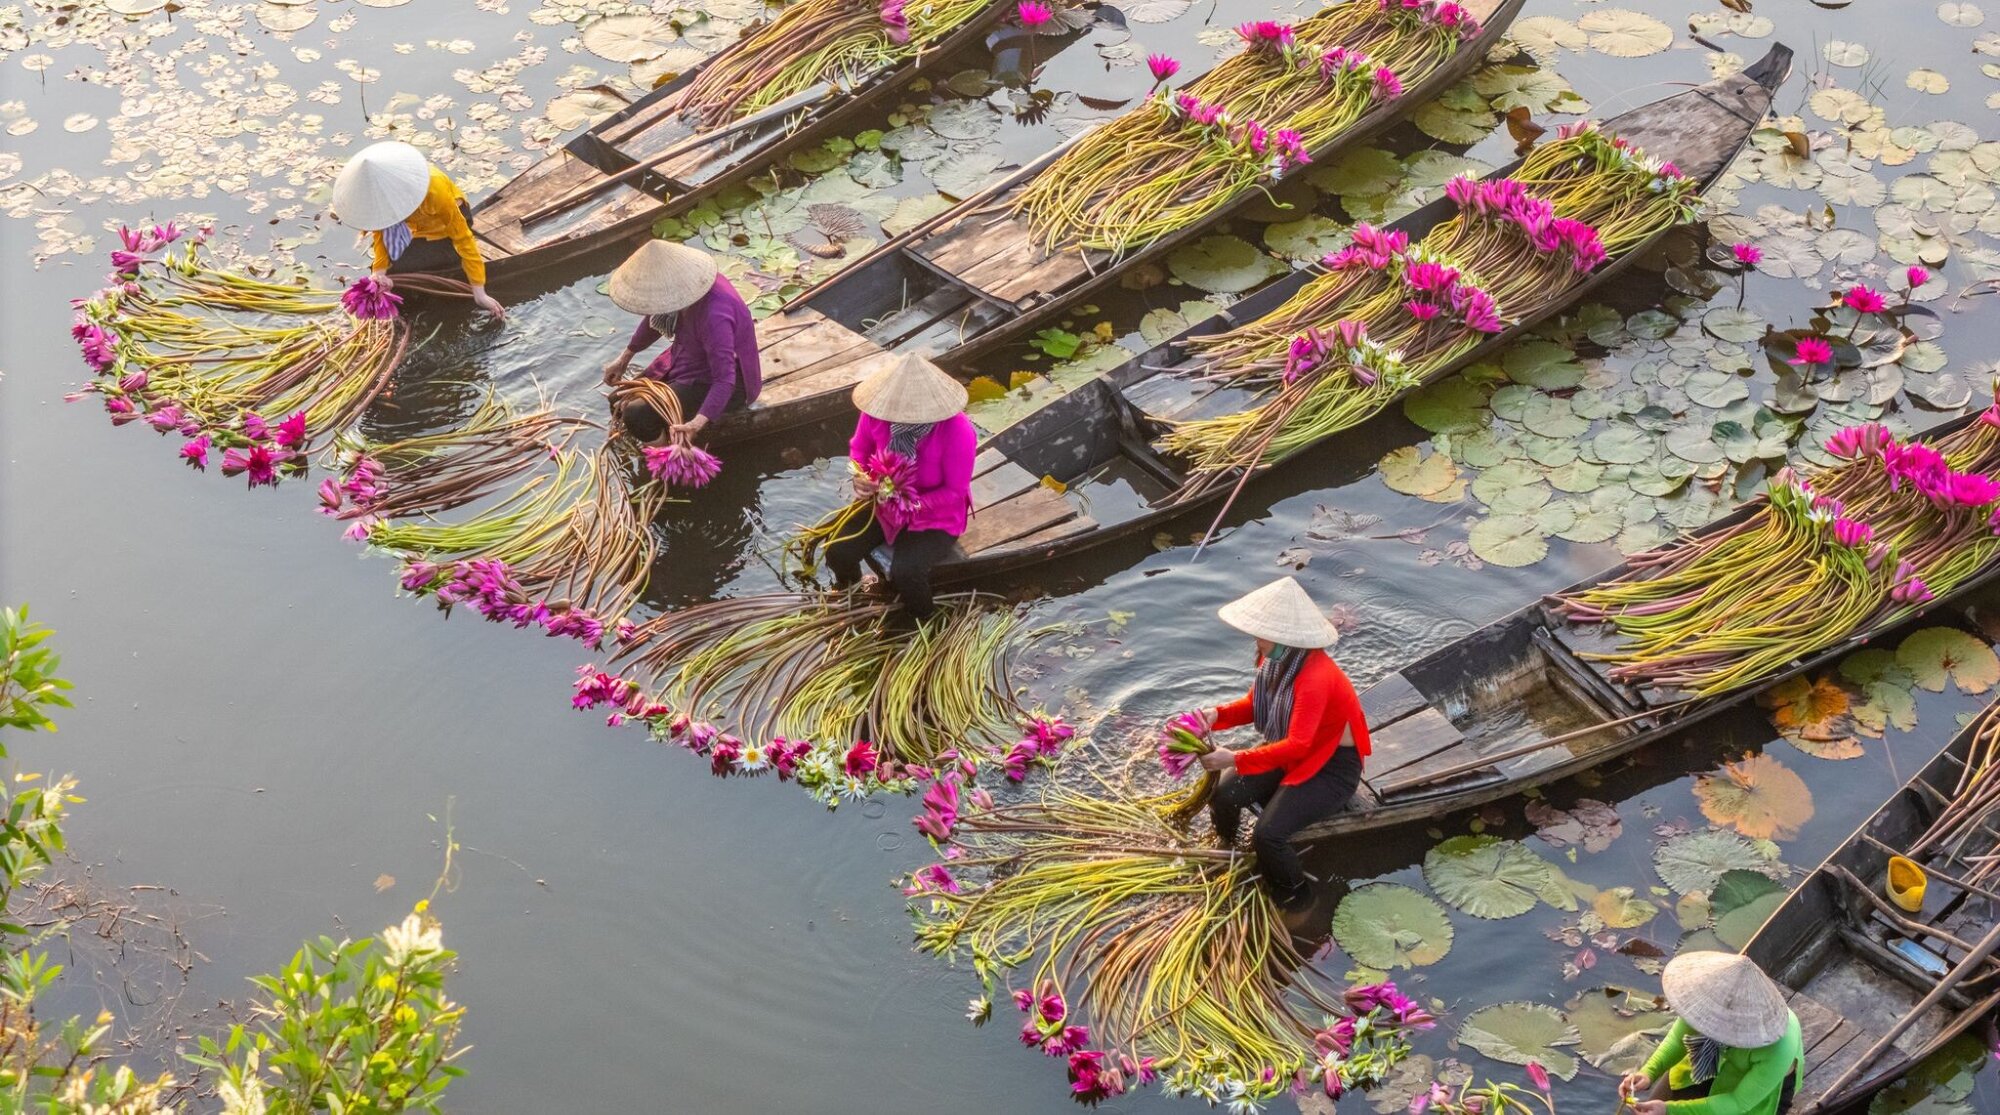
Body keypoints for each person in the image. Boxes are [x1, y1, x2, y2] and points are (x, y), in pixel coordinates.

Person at [1190, 576, 1370, 912]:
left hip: (1329, 767)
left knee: (1268, 836)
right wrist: (1216, 715)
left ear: (1284, 638)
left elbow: (1299, 746)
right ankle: (1228, 851)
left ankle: (1298, 898)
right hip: (1295, 749)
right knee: (1223, 797)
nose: (1255, 639)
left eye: (1262, 634)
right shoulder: (1274, 660)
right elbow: (1255, 703)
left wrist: (1235, 759)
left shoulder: (1316, 677)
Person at [824, 353, 975, 620]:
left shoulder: (957, 430)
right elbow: (859, 450)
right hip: (884, 504)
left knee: (906, 572)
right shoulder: (877, 414)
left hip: (934, 517)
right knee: (838, 548)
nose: (901, 417)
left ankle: (924, 623)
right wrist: (861, 476)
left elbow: (955, 491)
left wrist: (912, 503)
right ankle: (852, 595)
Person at [601, 240, 761, 447]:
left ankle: (666, 458)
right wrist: (624, 358)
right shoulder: (678, 293)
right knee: (616, 402)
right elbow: (654, 320)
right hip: (686, 356)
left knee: (636, 415)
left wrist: (697, 423)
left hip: (721, 381)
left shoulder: (714, 316)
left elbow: (724, 379)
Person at [329, 141, 504, 319]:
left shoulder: (434, 190)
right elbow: (382, 230)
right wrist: (379, 272)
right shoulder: (381, 198)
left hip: (443, 227)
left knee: (423, 265)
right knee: (395, 274)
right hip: (413, 228)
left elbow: (464, 240)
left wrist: (479, 292)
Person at [1619, 951, 1804, 1115]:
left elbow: (1738, 1103)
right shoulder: (1706, 1001)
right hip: (1711, 1052)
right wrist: (1648, 1073)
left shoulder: (1779, 1048)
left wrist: (1670, 1110)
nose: (1707, 1023)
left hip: (1750, 1096)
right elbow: (1677, 1040)